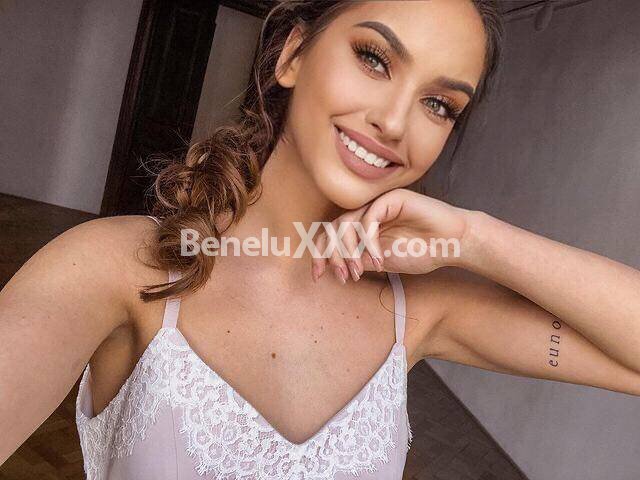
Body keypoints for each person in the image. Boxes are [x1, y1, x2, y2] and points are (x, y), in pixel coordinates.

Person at [2, 0, 639, 478]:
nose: (394, 122)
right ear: (293, 56)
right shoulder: (120, 267)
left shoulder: (420, 308)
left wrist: (475, 237)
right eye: (374, 58)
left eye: (439, 105)